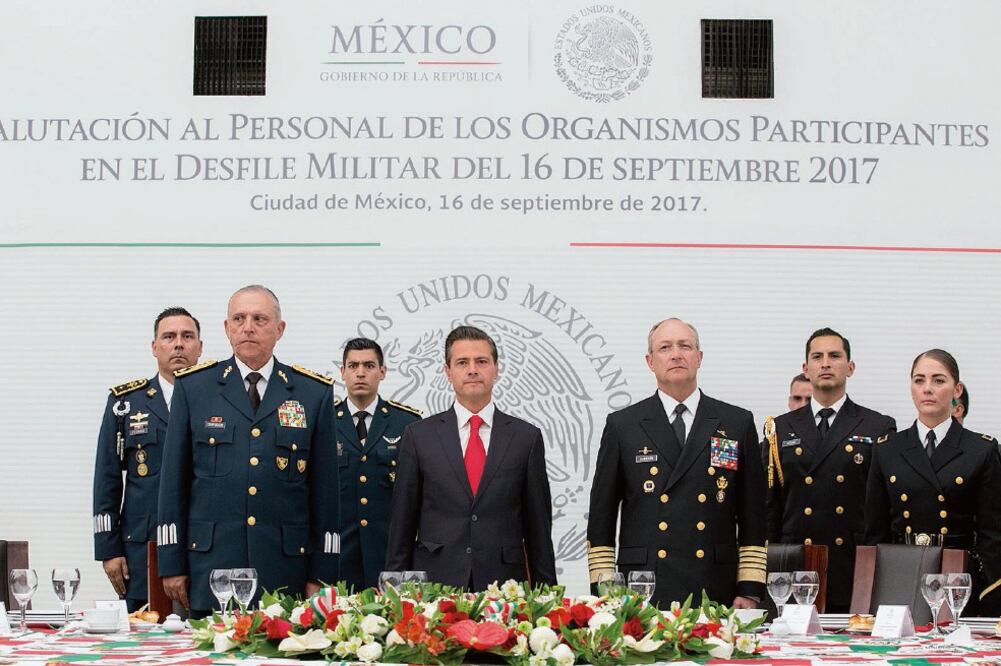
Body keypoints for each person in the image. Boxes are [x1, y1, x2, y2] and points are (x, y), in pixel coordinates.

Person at [157, 285, 339, 615]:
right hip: (213, 568)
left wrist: (323, 572)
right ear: (226, 328)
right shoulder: (194, 387)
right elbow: (173, 484)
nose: (248, 327)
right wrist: (171, 562)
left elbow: (327, 494)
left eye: (259, 318)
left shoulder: (313, 394)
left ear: (279, 329)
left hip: (285, 572)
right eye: (239, 318)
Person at [587, 318, 766, 608]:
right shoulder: (624, 426)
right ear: (650, 361)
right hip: (643, 589)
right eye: (665, 347)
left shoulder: (736, 422)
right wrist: (607, 592)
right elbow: (601, 518)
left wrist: (749, 588)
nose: (676, 354)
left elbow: (753, 515)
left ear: (699, 357)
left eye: (685, 346)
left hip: (715, 585)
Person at [385, 325, 557, 589]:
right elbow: (402, 525)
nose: (473, 369)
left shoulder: (526, 437)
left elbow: (539, 530)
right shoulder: (419, 436)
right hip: (436, 583)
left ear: (496, 369)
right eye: (462, 362)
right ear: (448, 372)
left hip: (505, 587)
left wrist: (548, 594)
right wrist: (394, 592)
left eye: (482, 361)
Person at [764, 328, 895, 612]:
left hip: (851, 566)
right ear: (805, 368)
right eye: (817, 356)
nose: (825, 363)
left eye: (834, 356)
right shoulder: (780, 429)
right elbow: (769, 508)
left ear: (850, 367)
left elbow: (882, 510)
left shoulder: (877, 426)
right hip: (794, 566)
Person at [864, 349, 1001, 615]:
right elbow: (875, 530)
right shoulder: (887, 448)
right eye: (919, 380)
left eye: (939, 380)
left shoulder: (980, 449)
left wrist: (991, 593)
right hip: (900, 572)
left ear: (956, 389)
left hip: (960, 578)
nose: (928, 389)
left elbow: (992, 534)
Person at [93, 307, 203, 611]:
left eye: (187, 336)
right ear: (155, 347)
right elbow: (107, 477)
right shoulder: (125, 404)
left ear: (200, 347)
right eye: (169, 336)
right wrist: (107, 548)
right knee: (146, 638)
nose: (178, 344)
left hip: (201, 544)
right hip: (142, 547)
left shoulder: (215, 400)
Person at [335, 337, 421, 591]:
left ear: (382, 372)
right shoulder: (324, 422)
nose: (360, 373)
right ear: (342, 372)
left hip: (390, 556)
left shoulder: (408, 424)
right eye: (353, 366)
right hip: (339, 557)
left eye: (369, 366)